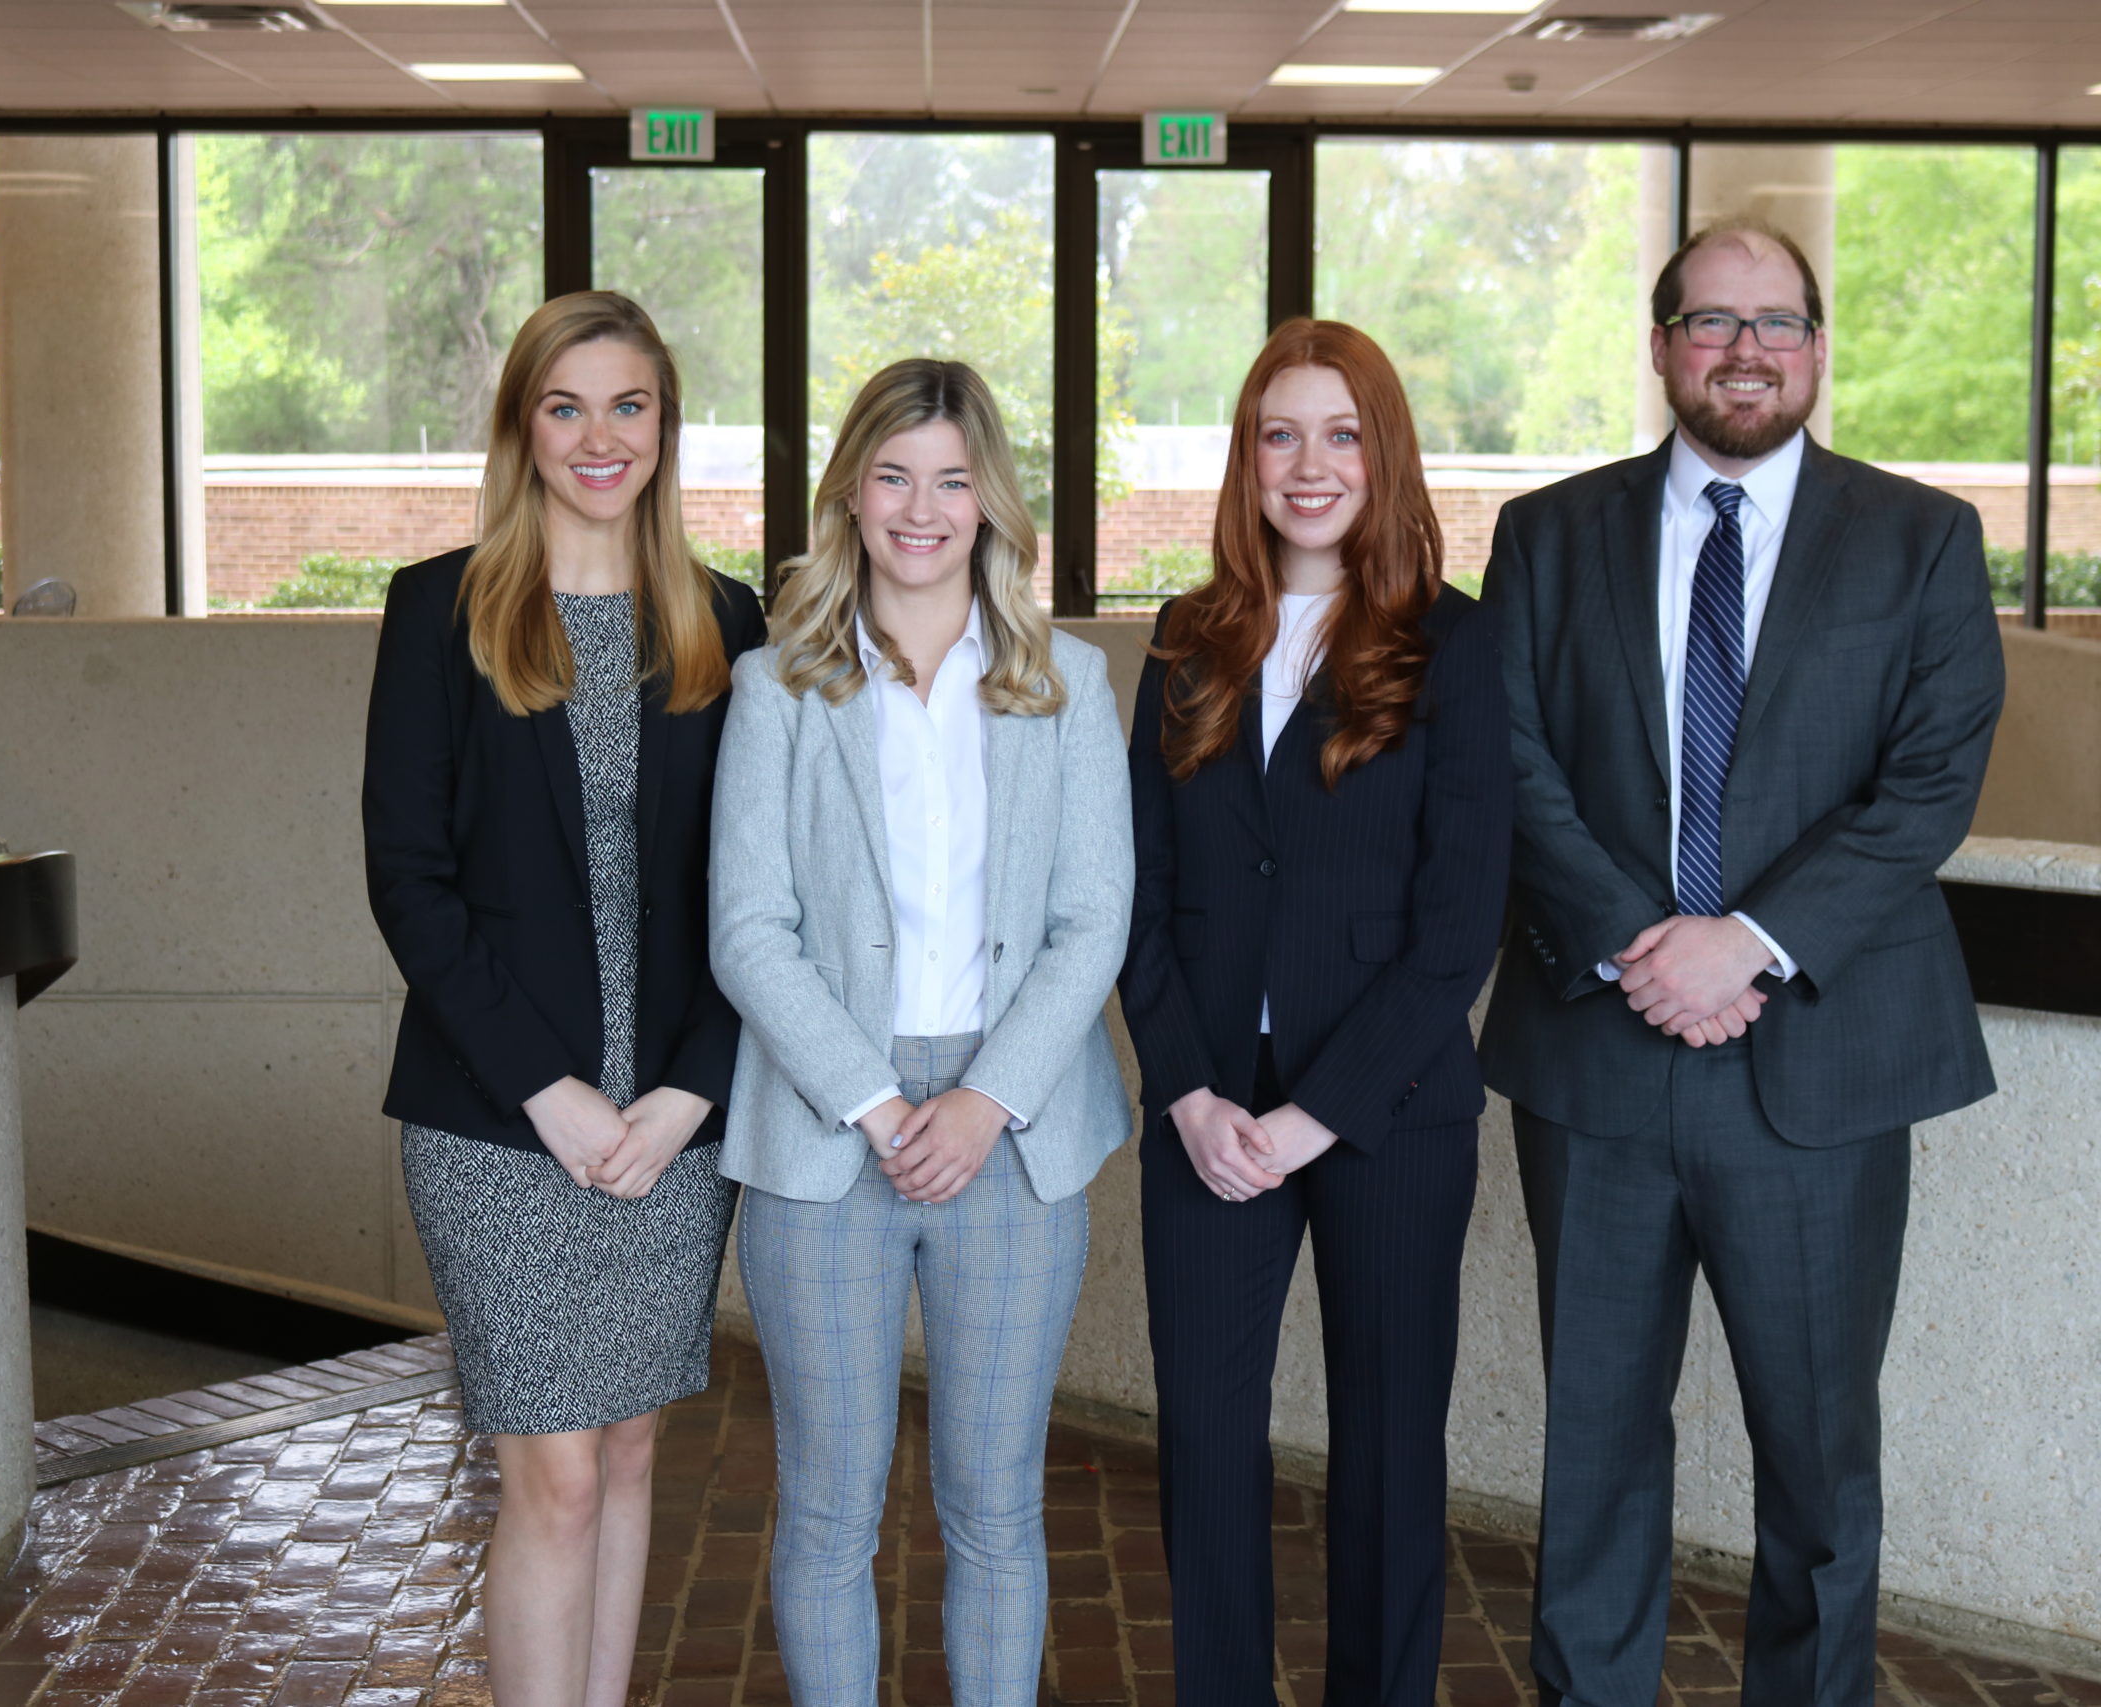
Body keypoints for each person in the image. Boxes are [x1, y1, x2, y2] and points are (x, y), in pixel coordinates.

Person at [1477, 220, 2006, 1706]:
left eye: (1776, 322)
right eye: (1712, 322)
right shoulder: (1549, 535)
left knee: (1820, 1460)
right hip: (1597, 1054)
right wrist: (1646, 949)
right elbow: (1511, 763)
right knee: (1591, 1446)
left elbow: (1926, 787)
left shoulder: (1920, 541)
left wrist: (1747, 945)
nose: (1746, 349)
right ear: (1661, 348)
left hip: (1821, 1073)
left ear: (1819, 349)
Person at [707, 358, 1132, 1707]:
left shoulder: (1068, 681)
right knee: (828, 1512)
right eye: (892, 475)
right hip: (829, 1136)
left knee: (995, 1505)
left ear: (992, 501)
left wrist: (983, 1100)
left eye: (952, 478)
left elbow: (1093, 923)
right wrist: (880, 1105)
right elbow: (746, 928)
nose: (921, 507)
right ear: (850, 494)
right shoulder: (779, 685)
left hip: (1016, 1138)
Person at [362, 291, 766, 1707]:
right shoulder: (440, 609)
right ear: (523, 426)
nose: (601, 437)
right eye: (567, 405)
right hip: (496, 1120)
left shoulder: (726, 622)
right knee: (554, 1475)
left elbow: (762, 903)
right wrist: (552, 1091)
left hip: (675, 1123)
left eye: (630, 405)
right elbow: (411, 882)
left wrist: (687, 1094)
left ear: (665, 425)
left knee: (636, 1448)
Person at [1120, 318, 1513, 1706]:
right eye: (1279, 433)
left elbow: (1459, 925)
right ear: (1246, 458)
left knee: (1391, 1459)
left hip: (1389, 1118)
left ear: (1383, 453)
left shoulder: (1457, 647)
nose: (1309, 463)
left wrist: (1311, 1120)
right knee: (1208, 1453)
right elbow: (1141, 893)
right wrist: (1189, 1094)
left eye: (1341, 433)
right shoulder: (1187, 638)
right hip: (1206, 1111)